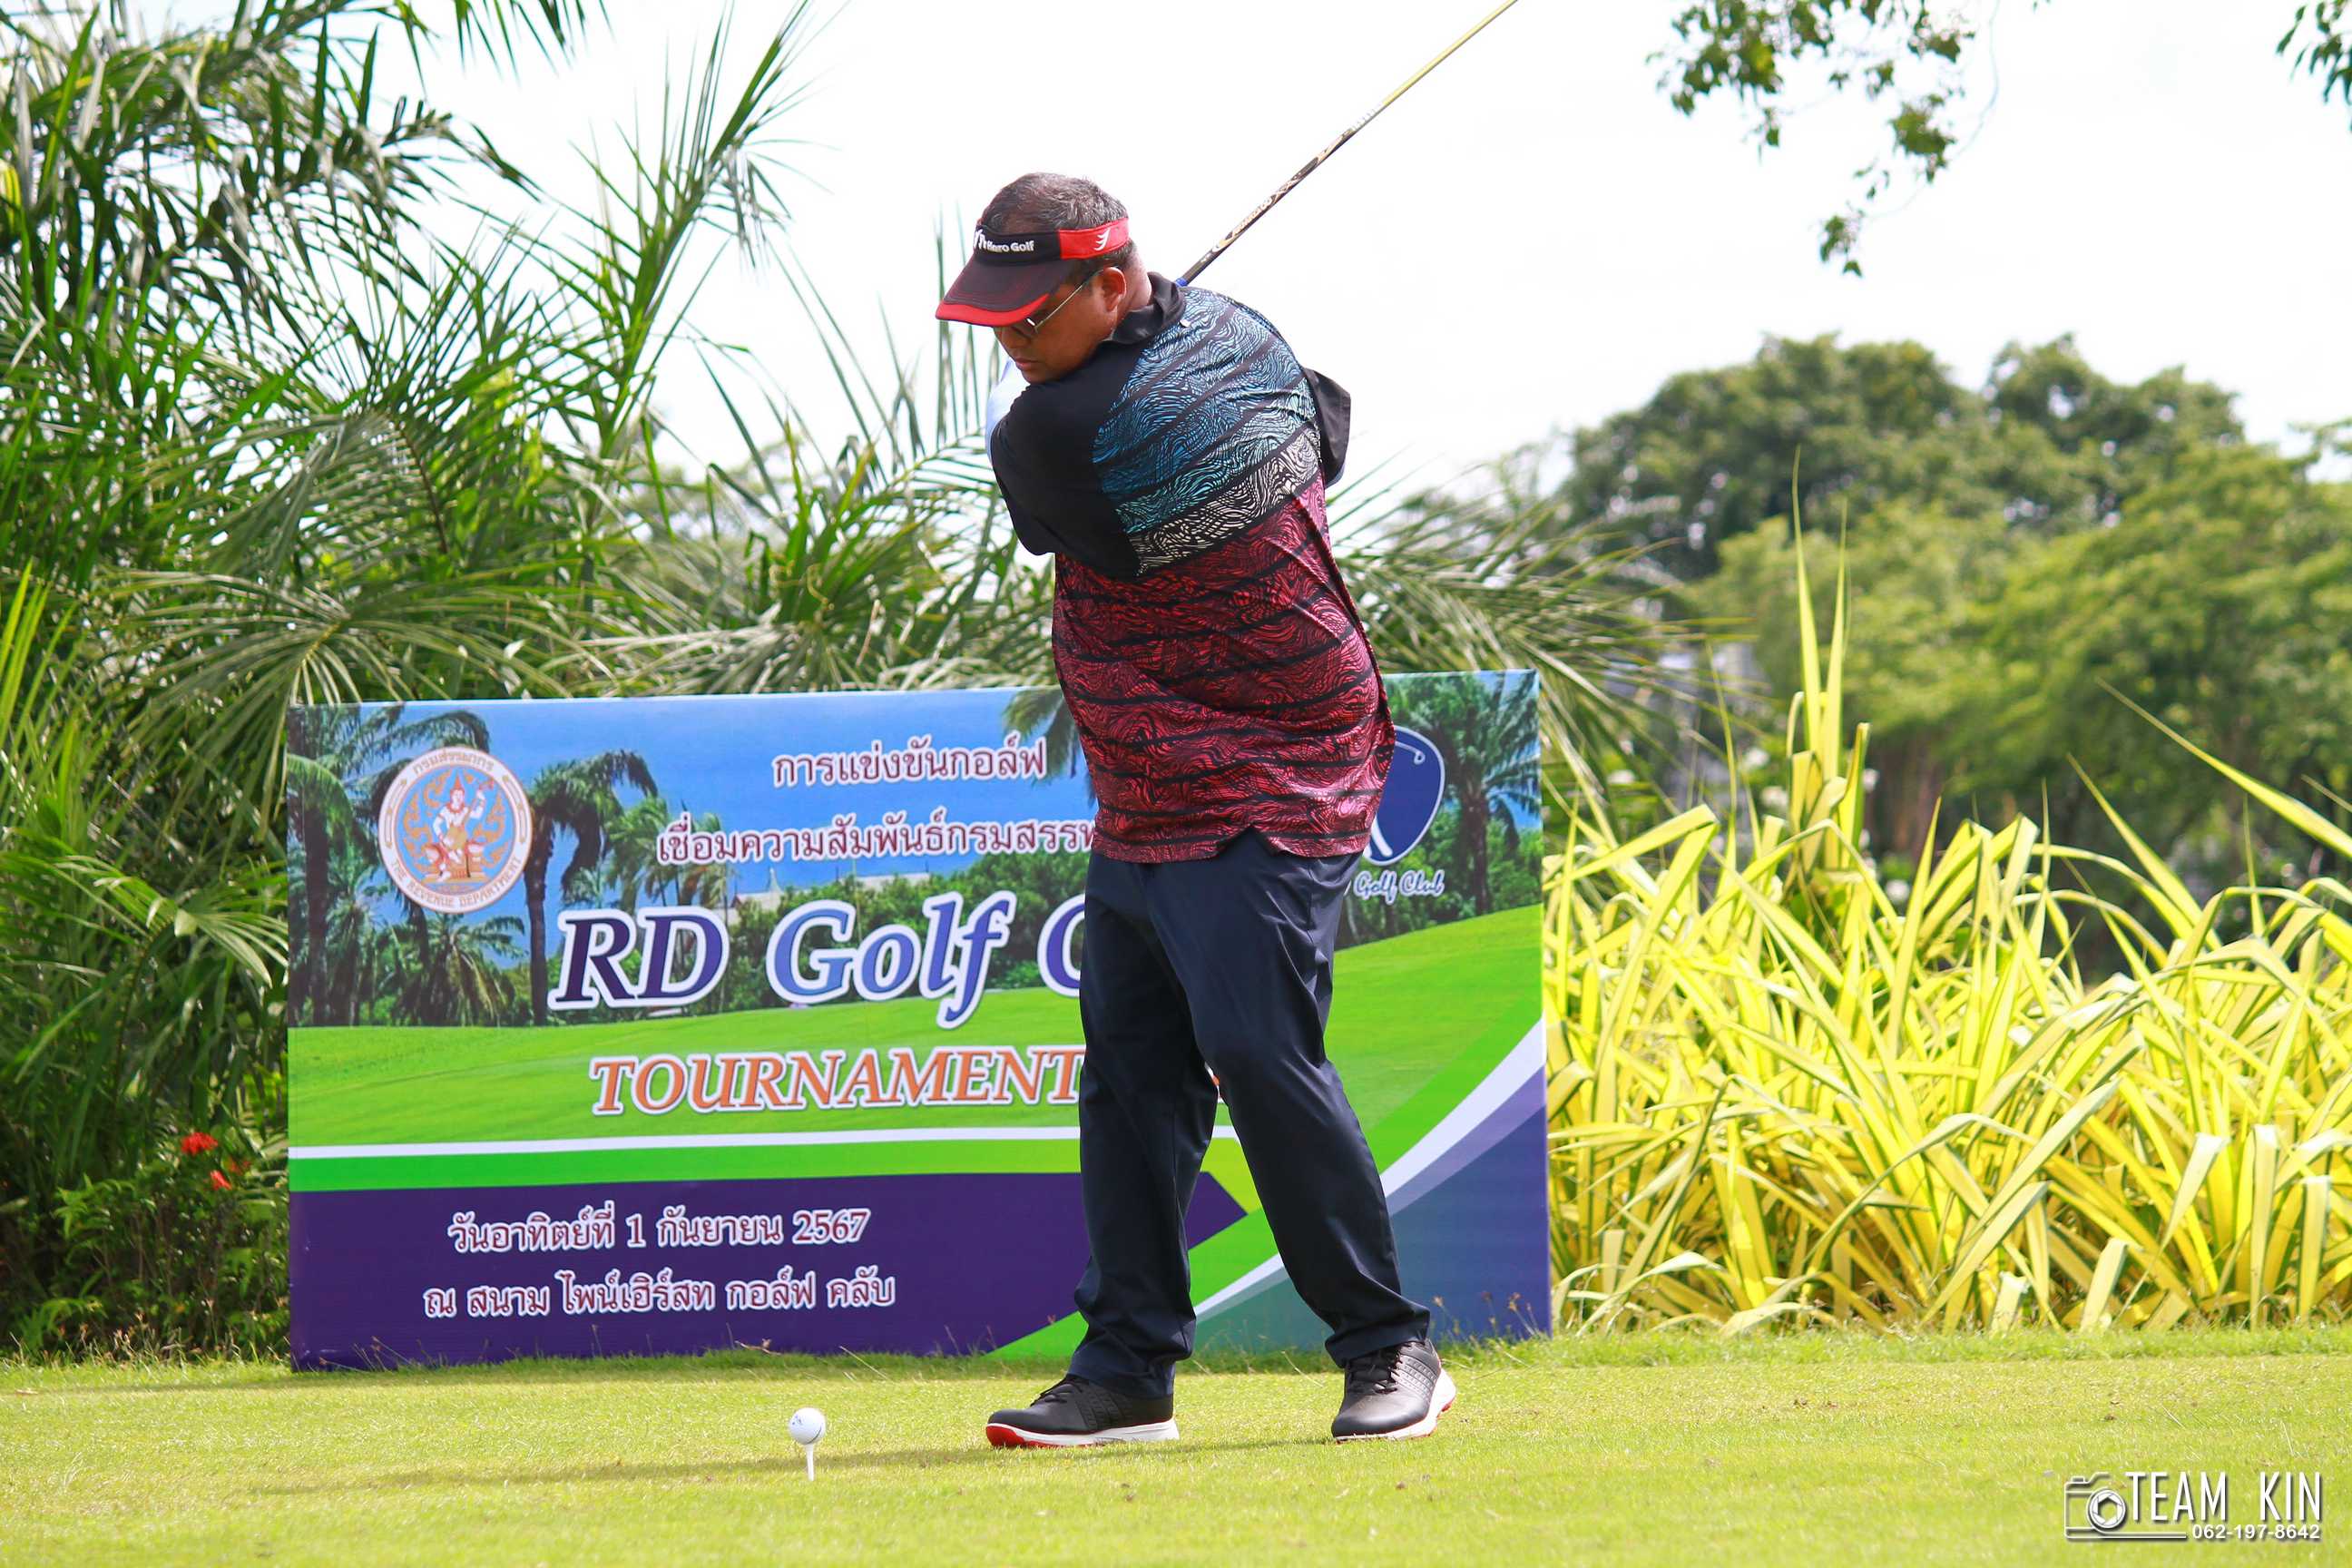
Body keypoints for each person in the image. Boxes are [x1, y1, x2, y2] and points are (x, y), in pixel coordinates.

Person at [934, 172, 1454, 1446]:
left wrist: (1137, 366)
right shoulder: (1246, 341)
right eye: (993, 322)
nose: (1010, 347)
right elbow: (1325, 425)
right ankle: (1127, 1373)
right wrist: (1168, 338)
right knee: (1130, 1075)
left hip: (1273, 767)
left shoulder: (1053, 437)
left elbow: (1046, 515)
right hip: (1148, 779)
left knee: (1260, 1054)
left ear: (1112, 284)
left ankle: (1391, 1347)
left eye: (1030, 319)